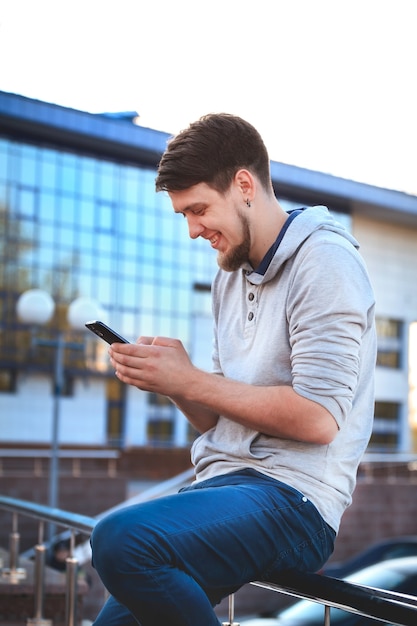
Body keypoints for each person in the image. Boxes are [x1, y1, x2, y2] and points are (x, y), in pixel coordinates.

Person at [90, 113, 377, 626]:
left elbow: (318, 419)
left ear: (244, 185)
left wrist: (191, 379)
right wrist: (173, 383)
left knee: (120, 539)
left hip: (295, 502)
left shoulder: (325, 261)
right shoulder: (230, 276)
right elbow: (220, 420)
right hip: (224, 487)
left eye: (198, 210)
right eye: (184, 215)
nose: (194, 230)